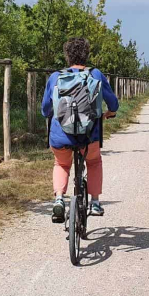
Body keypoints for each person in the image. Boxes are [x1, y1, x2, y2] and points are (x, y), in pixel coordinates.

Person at [42, 37, 119, 221]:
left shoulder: (55, 77)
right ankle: (94, 202)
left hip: (61, 137)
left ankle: (59, 200)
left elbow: (45, 109)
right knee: (93, 162)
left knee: (61, 164)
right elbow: (113, 103)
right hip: (89, 135)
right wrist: (109, 113)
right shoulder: (96, 74)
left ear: (67, 56)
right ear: (86, 54)